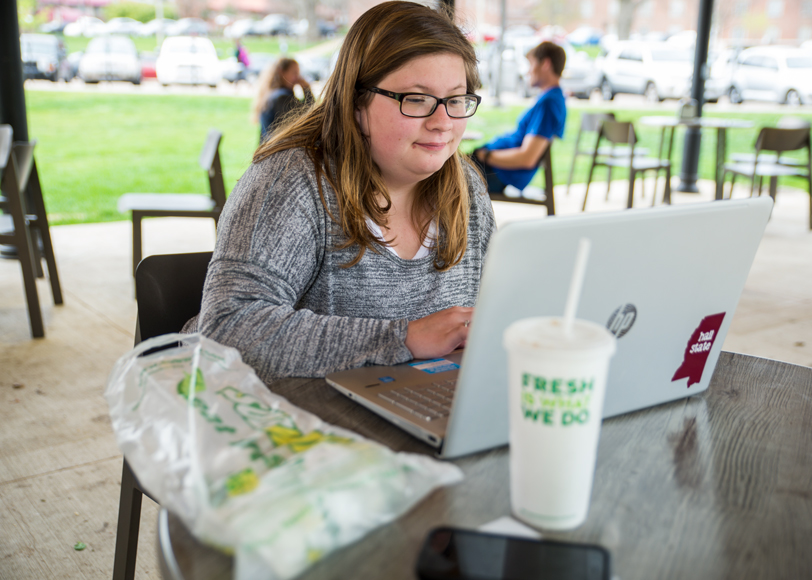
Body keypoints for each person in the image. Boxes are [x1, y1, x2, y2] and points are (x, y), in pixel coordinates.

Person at [187, 1, 496, 384]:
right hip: (296, 426)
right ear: (355, 101)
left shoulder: (466, 188)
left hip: (426, 413)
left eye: (455, 100)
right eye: (416, 99)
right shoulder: (291, 181)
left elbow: (491, 315)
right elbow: (227, 330)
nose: (443, 123)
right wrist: (404, 337)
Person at [471, 41, 567, 194]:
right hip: (495, 168)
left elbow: (527, 158)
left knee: (443, 174)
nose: (528, 71)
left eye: (531, 64)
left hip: (499, 173)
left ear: (546, 64)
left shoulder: (549, 103)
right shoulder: (550, 99)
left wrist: (485, 155)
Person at [252, 57, 315, 142]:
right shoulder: (281, 98)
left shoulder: (274, 94)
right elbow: (309, 118)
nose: (298, 78)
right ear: (281, 72)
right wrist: (307, 90)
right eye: (294, 73)